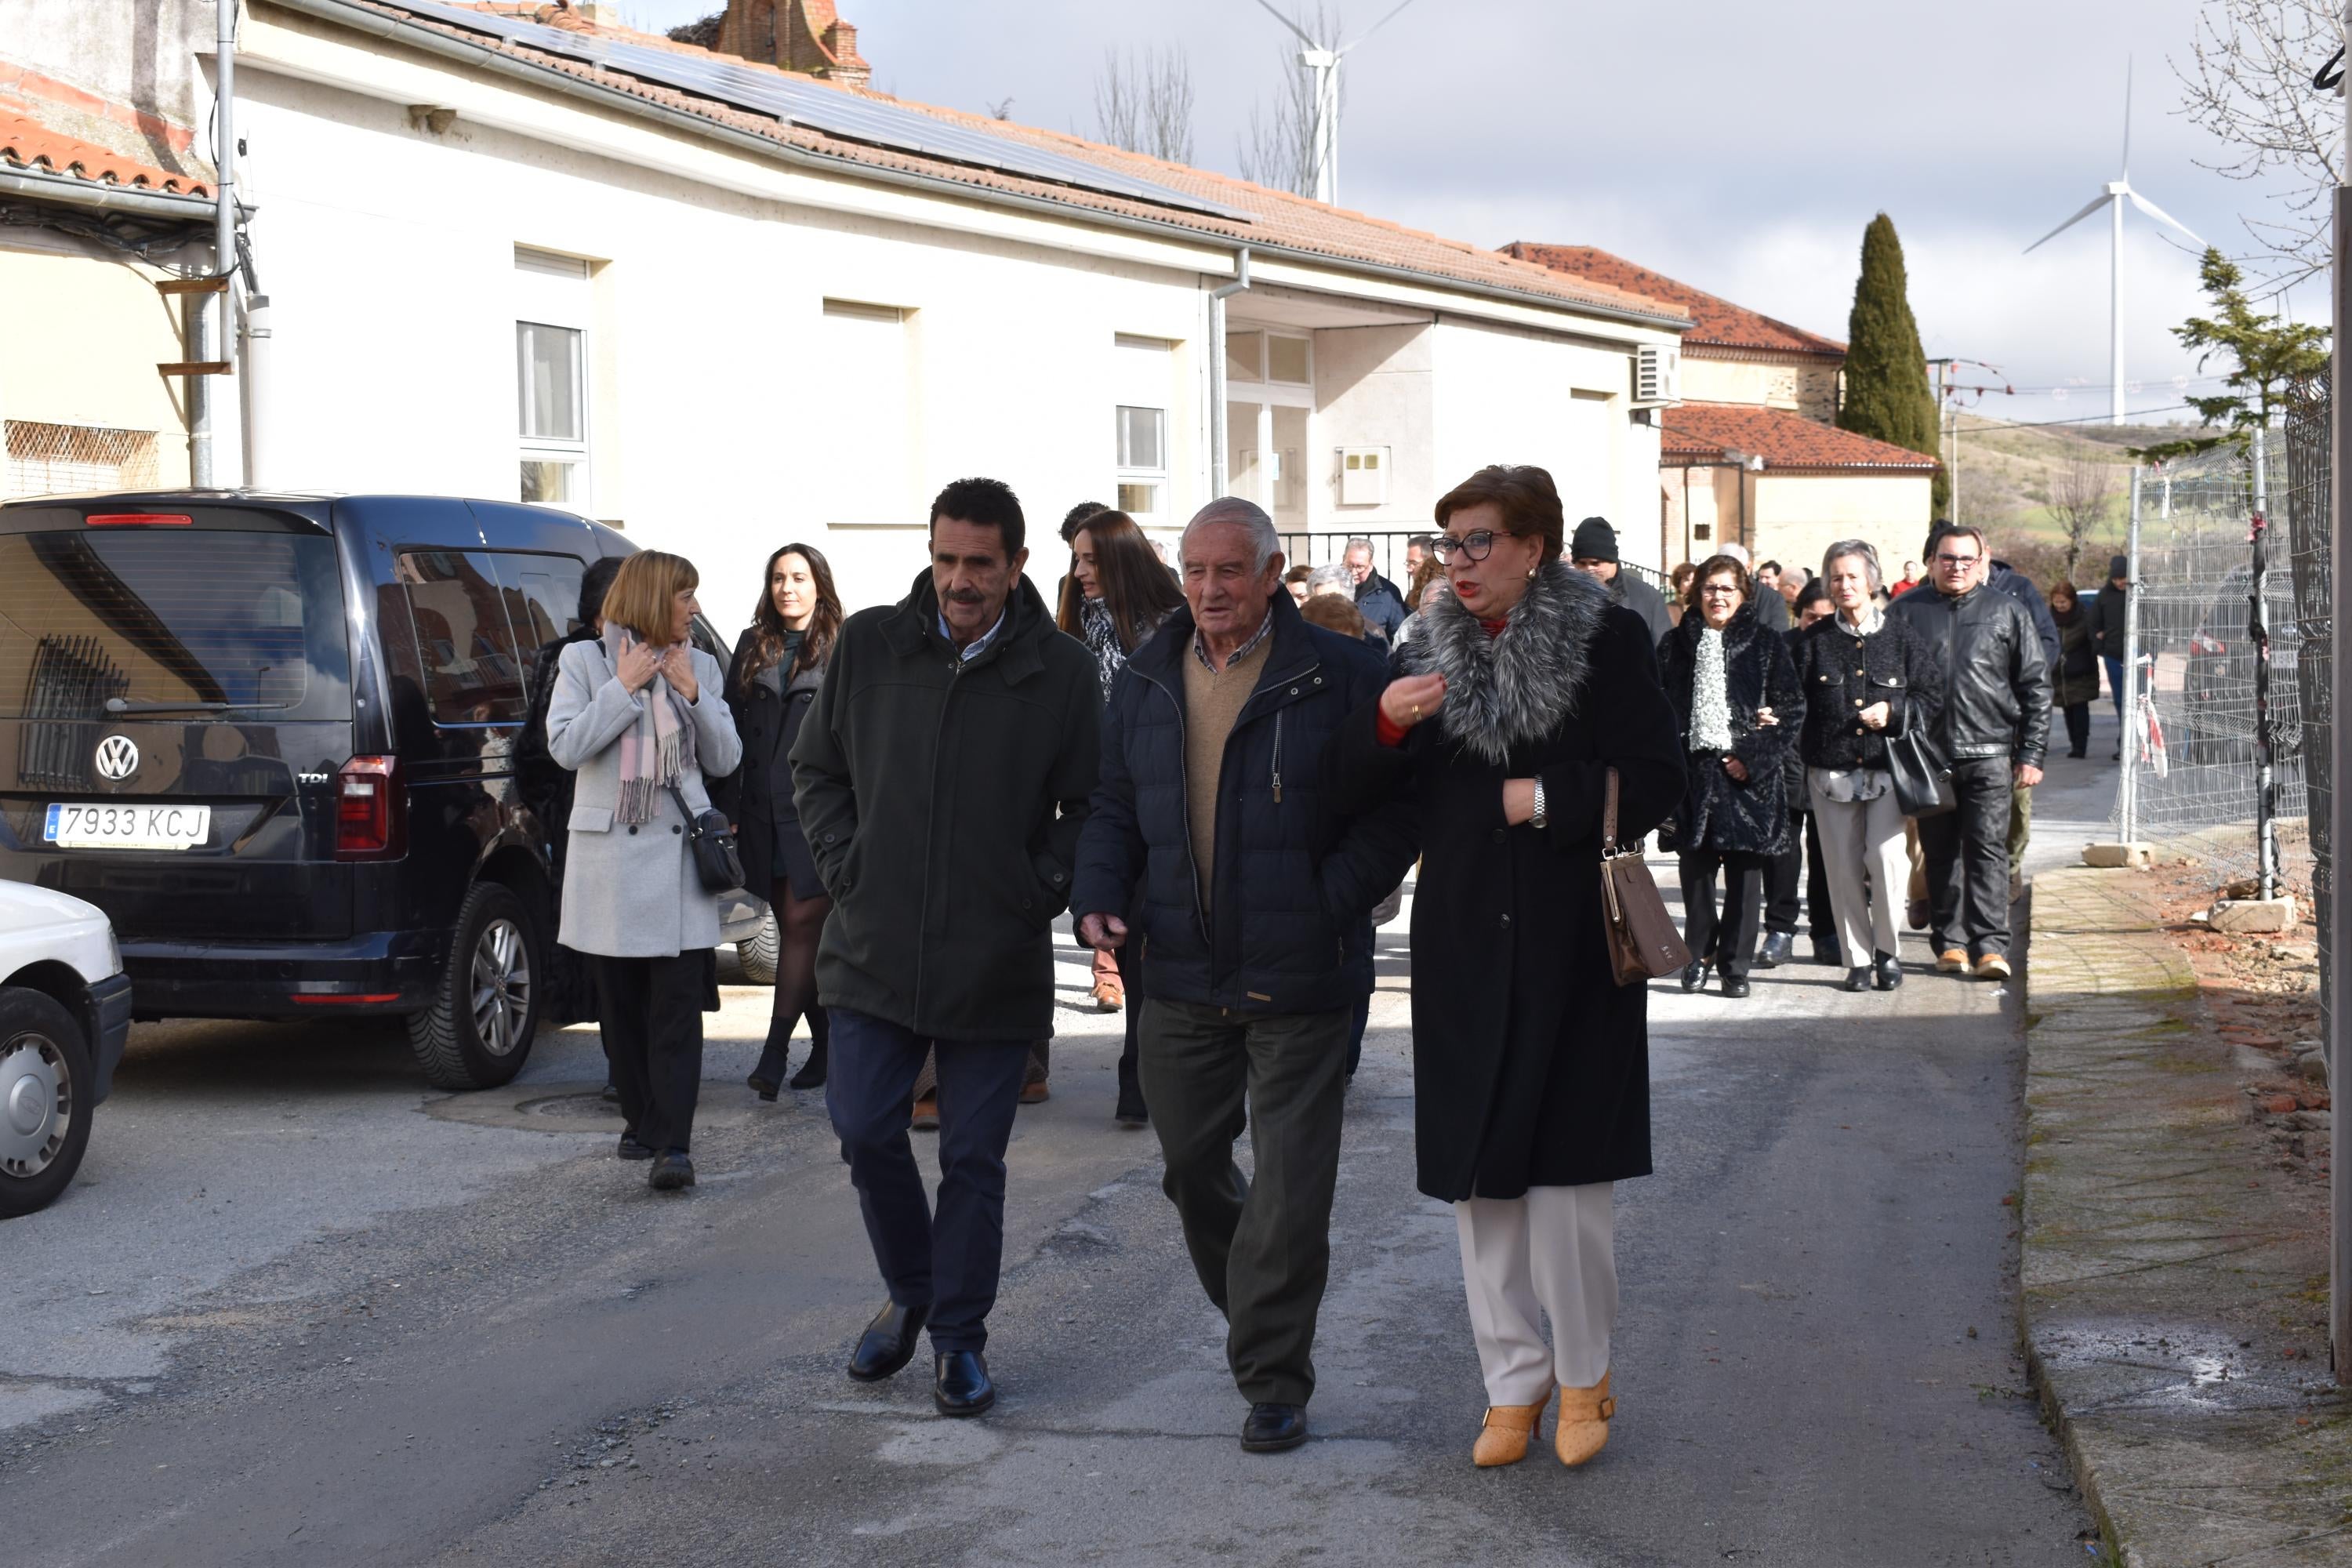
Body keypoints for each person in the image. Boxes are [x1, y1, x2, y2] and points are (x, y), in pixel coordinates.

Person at [1331, 463, 1684, 1470]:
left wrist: (1542, 801)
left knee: (1569, 1182)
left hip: (1574, 941)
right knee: (1481, 1180)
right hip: (1461, 945)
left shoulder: (1606, 636)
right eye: (1450, 544)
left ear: (1536, 547)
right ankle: (1510, 1385)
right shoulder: (1423, 644)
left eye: (1480, 541)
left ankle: (1584, 1375)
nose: (1460, 562)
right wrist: (1387, 723)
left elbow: (1658, 773)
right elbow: (1368, 790)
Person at [1074, 497, 1412, 1456]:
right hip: (1179, 970)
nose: (1212, 589)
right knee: (1189, 1166)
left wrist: (1327, 900)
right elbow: (1111, 803)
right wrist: (1099, 892)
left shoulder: (1343, 672)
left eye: (1232, 571)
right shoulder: (1145, 676)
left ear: (1272, 575)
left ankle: (1272, 1377)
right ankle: (1258, 1310)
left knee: (1293, 1190)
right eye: (1196, 571)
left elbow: (1398, 812)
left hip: (1302, 976)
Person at [791, 476, 1100, 1419]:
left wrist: (1032, 888)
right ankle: (912, 1285)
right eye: (946, 558)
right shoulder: (874, 644)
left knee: (973, 1159)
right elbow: (815, 768)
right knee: (863, 1124)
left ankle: (958, 1342)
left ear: (1016, 565)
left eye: (979, 562)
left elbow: (1088, 809)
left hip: (994, 955)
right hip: (871, 943)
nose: (960, 580)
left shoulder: (1062, 672)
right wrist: (851, 871)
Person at [546, 550, 743, 1192]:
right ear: (655, 598)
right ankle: (643, 1120)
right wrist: (624, 687)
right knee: (622, 1015)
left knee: (678, 1011)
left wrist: (691, 694)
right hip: (610, 864)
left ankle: (675, 1146)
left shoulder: (703, 665)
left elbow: (726, 758)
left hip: (678, 860)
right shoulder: (583, 661)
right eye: (685, 596)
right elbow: (567, 747)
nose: (695, 608)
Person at [1058, 507, 1185, 1124]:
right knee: (1128, 942)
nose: (1079, 571)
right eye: (1077, 559)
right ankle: (1134, 1084)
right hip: (1108, 803)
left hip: (1165, 803)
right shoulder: (1086, 622)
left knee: (1156, 950)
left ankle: (1150, 1077)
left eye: (1090, 559)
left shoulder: (1172, 626)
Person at [1886, 524, 2050, 981]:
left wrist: (2032, 753)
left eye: (1966, 559)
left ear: (1983, 562)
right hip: (1928, 756)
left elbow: (2035, 685)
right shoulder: (1904, 613)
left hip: (1990, 752)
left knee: (1987, 850)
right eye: (1947, 558)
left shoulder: (2008, 612)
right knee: (1939, 854)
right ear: (1931, 561)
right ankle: (1951, 942)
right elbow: (1886, 681)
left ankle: (1991, 946)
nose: (1956, 567)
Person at [1795, 543, 1943, 993]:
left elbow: (1931, 695)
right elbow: (1793, 703)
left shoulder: (1900, 638)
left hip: (1886, 774)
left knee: (1885, 860)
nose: (1844, 586)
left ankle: (1888, 952)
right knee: (1841, 869)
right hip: (1830, 776)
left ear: (1873, 582)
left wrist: (1893, 711)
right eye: (1836, 578)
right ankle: (1857, 959)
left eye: (1852, 577)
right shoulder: (1813, 641)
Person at [1656, 556, 1803, 999]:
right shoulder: (1673, 645)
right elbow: (1656, 709)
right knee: (1696, 878)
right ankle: (1698, 955)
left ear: (1743, 596)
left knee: (1744, 881)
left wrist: (1751, 757)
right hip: (1693, 779)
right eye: (1710, 588)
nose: (1717, 597)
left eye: (1727, 589)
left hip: (1747, 782)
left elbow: (1792, 709)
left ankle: (1735, 967)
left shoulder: (1766, 644)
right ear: (1696, 592)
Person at [731, 543, 844, 1100]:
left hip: (814, 815)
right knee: (803, 933)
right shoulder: (754, 644)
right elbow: (730, 727)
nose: (787, 588)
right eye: (778, 578)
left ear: (818, 583)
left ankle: (774, 1051)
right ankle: (827, 1048)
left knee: (801, 926)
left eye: (798, 577)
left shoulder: (841, 646)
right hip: (762, 816)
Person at [517, 555, 624, 1053]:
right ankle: (622, 1064)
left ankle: (624, 1062)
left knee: (606, 943)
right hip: (584, 815)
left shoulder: (665, 651)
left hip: (581, 814)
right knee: (606, 943)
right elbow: (544, 746)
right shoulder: (574, 657)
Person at [1760, 580, 1839, 968]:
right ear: (1798, 614)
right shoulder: (1780, 646)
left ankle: (1826, 931)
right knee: (1781, 854)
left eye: (1827, 618)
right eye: (1812, 617)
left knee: (1828, 855)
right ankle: (1779, 929)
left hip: (1830, 765)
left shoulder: (1842, 647)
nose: (1818, 624)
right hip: (1785, 763)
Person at [1569, 515, 1672, 645]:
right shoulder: (1564, 598)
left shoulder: (1649, 599)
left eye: (1596, 563)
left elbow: (1663, 654)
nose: (1589, 569)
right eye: (1582, 563)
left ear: (1613, 561)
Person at [2048, 579, 2099, 760]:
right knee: (2066, 709)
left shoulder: (2084, 617)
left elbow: (2092, 639)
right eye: (2057, 602)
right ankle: (2073, 743)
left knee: (2079, 709)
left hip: (2080, 671)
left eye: (2063, 602)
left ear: (2072, 600)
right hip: (2059, 674)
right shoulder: (2048, 618)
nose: (2060, 606)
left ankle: (2080, 745)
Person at [2086, 553, 2130, 757]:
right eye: (2116, 579)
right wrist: (2099, 643)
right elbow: (2093, 622)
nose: (2120, 582)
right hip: (2114, 656)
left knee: (2141, 701)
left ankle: (2142, 743)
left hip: (2139, 656)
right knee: (2121, 702)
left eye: (2123, 578)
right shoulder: (2105, 595)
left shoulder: (2141, 593)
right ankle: (2125, 744)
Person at [1344, 536, 1408, 641]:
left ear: (1370, 564)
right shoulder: (1331, 586)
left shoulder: (1389, 593)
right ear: (1344, 559)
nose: (1353, 572)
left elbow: (1399, 636)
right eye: (1349, 565)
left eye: (1360, 567)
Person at [1665, 562, 1699, 627]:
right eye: (1686, 580)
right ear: (1678, 583)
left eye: (1694, 580)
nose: (1691, 584)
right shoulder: (1668, 609)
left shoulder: (1702, 607)